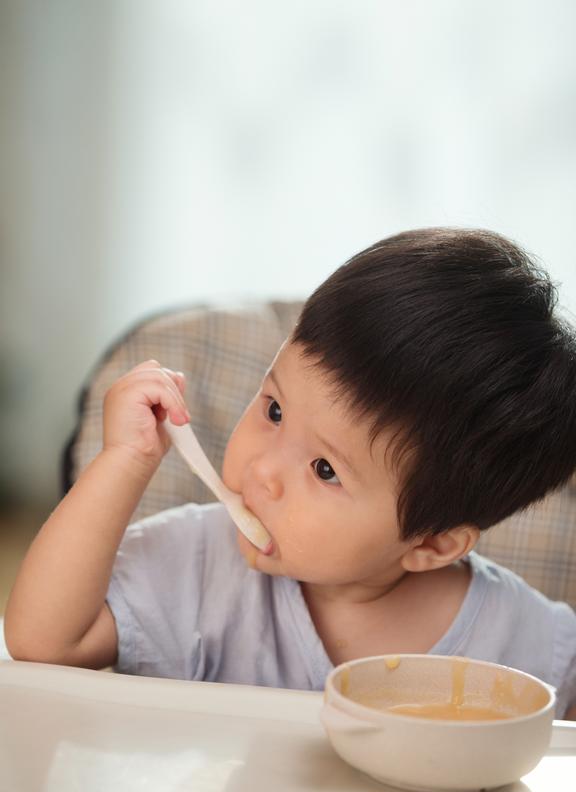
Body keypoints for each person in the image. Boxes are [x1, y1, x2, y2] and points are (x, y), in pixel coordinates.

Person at [6, 227, 576, 719]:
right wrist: (122, 462)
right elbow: (43, 642)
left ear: (432, 543)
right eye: (274, 410)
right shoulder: (197, 564)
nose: (263, 471)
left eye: (325, 469)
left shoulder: (526, 643)